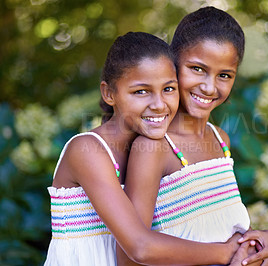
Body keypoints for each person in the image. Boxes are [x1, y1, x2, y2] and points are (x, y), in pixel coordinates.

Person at [44, 31, 251, 266]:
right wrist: (226, 253)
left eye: (168, 89)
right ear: (109, 93)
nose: (159, 104)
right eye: (140, 92)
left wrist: (262, 240)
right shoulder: (88, 150)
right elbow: (139, 247)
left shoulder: (154, 151)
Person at [118, 7, 268, 266]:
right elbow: (130, 256)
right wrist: (225, 253)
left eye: (224, 75)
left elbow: (216, 228)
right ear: (172, 64)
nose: (209, 86)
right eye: (197, 69)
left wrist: (267, 240)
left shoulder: (220, 140)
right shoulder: (154, 147)